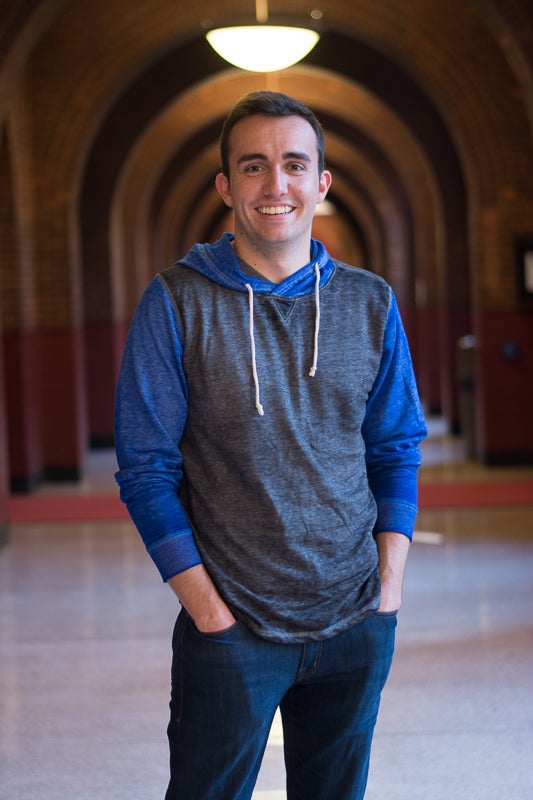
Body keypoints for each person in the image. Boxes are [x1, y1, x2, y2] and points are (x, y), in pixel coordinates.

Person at [114, 90, 427, 800]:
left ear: (321, 182)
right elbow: (145, 469)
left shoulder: (369, 301)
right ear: (226, 186)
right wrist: (207, 612)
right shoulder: (175, 302)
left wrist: (388, 587)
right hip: (233, 628)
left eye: (293, 164)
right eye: (252, 167)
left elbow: (395, 447)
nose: (274, 184)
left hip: (355, 616)